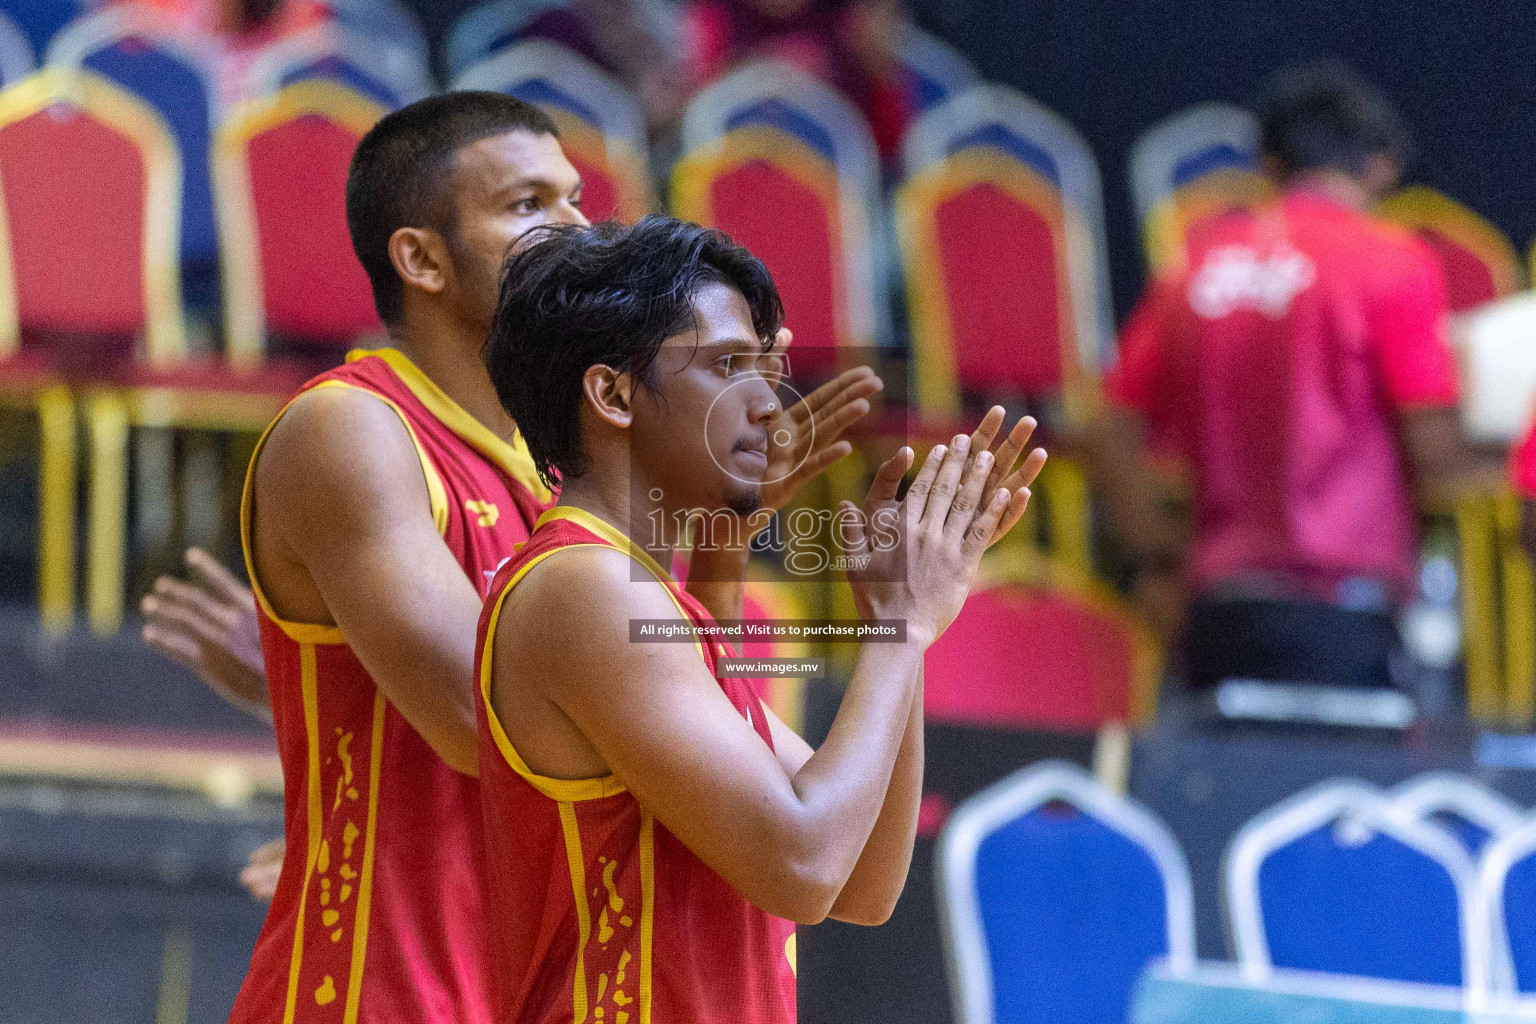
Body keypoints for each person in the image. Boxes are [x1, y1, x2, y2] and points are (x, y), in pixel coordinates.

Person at [475, 216, 1045, 1022]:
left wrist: (892, 623)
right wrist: (907, 625)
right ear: (611, 394)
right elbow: (806, 866)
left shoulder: (650, 600)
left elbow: (863, 883)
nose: (772, 409)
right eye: (729, 366)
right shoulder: (585, 586)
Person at [1093, 62, 1500, 707]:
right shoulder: (1390, 262)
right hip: (1346, 618)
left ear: (1267, 162)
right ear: (1381, 168)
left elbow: (1106, 429)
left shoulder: (1194, 265)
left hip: (1214, 612)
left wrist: (1153, 560)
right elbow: (1435, 458)